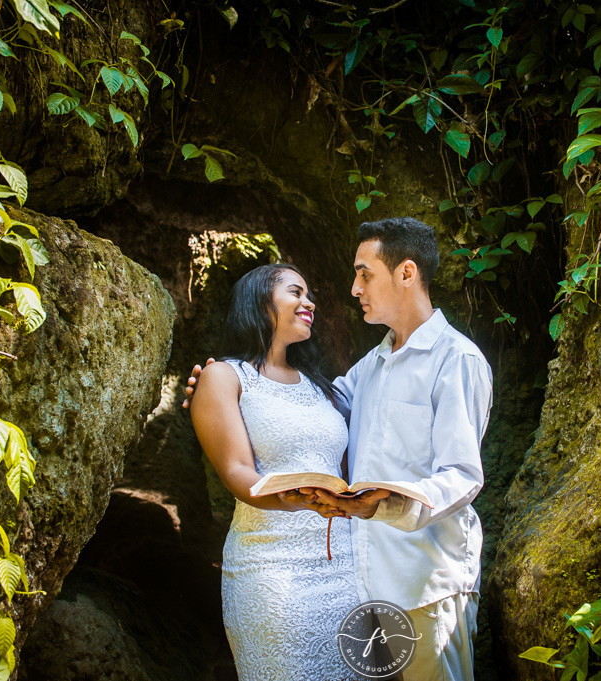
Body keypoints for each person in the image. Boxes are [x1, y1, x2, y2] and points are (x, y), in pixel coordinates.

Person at [187, 218, 493, 681]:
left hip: (427, 580)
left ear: (406, 273)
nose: (353, 288)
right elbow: (303, 412)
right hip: (363, 584)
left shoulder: (457, 359)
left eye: (364, 274)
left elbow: (463, 475)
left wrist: (386, 503)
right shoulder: (368, 368)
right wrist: (215, 386)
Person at [188, 263, 380, 681]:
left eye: (309, 294)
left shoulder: (321, 387)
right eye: (296, 292)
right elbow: (236, 470)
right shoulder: (224, 376)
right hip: (271, 569)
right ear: (260, 300)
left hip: (344, 569)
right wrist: (290, 498)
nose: (308, 302)